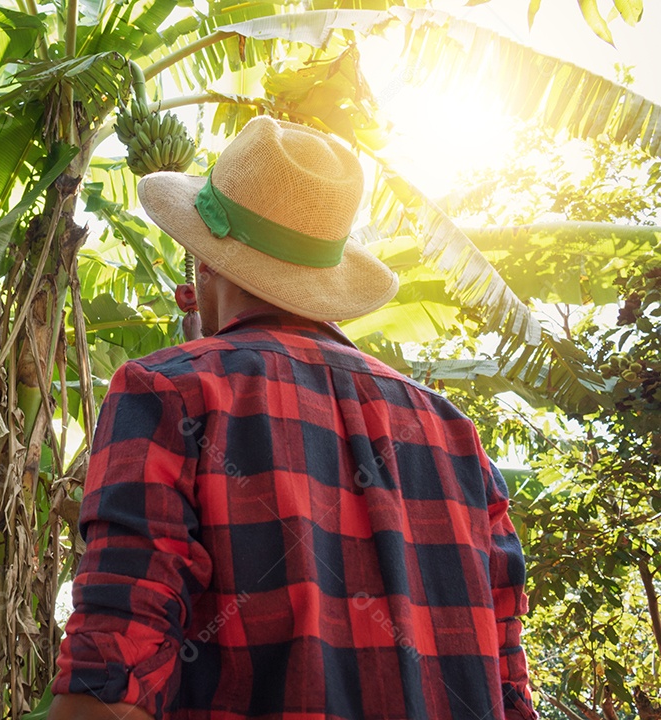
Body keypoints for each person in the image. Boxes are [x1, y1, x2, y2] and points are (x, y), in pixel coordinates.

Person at [49, 116, 538, 720]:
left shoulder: (168, 393)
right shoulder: (453, 434)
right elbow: (509, 687)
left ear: (204, 263)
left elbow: (113, 685)